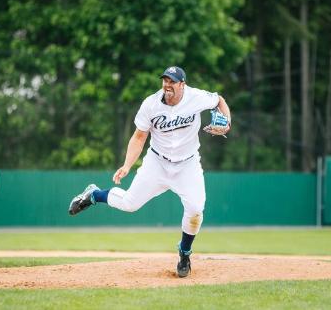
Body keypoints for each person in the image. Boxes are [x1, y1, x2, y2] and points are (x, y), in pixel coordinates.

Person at [68, 66, 231, 277]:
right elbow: (138, 137)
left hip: (188, 165)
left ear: (182, 84)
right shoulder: (151, 104)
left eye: (172, 81)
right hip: (158, 163)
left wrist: (227, 122)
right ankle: (94, 194)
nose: (167, 85)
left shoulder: (196, 97)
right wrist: (127, 165)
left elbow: (219, 100)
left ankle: (184, 253)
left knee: (196, 210)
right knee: (129, 204)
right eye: (165, 80)